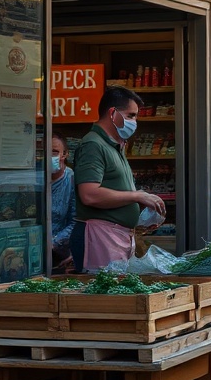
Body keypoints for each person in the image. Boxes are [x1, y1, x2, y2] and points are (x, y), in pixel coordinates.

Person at [70, 86, 167, 272]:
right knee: (105, 299)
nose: (134, 122)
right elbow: (89, 194)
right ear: (112, 113)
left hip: (116, 238)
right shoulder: (93, 144)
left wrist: (141, 217)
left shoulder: (115, 145)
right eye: (130, 115)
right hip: (99, 237)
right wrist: (136, 196)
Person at [50, 132, 75, 269]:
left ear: (64, 154)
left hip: (61, 256)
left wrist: (53, 242)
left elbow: (75, 221)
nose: (49, 156)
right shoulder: (34, 177)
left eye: (54, 152)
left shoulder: (71, 180)